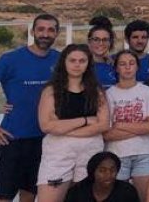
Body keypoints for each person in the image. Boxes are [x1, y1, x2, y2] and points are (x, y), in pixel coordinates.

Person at [0, 12, 60, 202]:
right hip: (14, 138)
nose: (45, 34)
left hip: (47, 138)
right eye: (41, 29)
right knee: (4, 196)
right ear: (32, 31)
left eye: (51, 30)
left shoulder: (60, 60)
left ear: (56, 33)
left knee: (29, 194)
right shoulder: (11, 59)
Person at [37, 43, 110, 202]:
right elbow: (46, 125)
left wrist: (63, 128)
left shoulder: (97, 91)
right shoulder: (51, 91)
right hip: (58, 152)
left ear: (88, 64)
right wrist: (85, 120)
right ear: (64, 62)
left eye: (82, 61)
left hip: (90, 150)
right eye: (72, 60)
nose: (77, 64)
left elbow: (104, 124)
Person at [104, 49, 149, 199]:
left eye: (131, 63)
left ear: (137, 66)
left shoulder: (148, 92)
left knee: (146, 198)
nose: (127, 67)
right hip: (116, 154)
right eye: (122, 64)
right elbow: (107, 134)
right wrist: (141, 127)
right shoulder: (108, 94)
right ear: (116, 68)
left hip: (145, 153)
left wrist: (119, 125)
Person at [64, 151, 140, 202]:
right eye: (102, 170)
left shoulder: (127, 191)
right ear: (93, 171)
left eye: (112, 170)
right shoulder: (77, 192)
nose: (108, 174)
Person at [87, 18, 117, 89]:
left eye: (105, 40)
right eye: (96, 39)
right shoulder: (82, 66)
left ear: (110, 42)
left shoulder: (116, 65)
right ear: (89, 41)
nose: (101, 43)